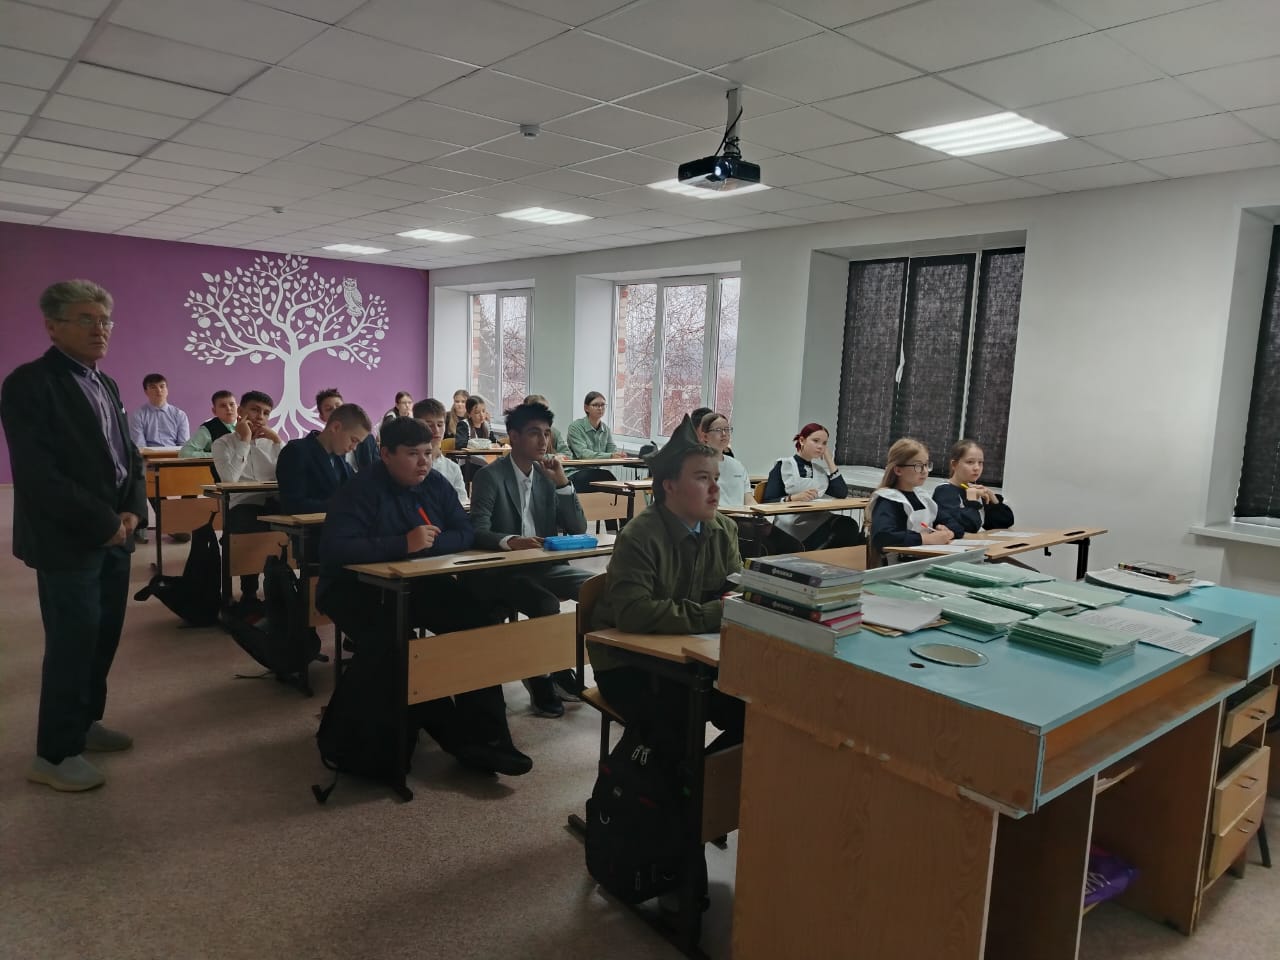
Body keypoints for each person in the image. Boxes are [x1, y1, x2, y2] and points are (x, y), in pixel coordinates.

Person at [318, 417, 531, 777]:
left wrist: (424, 546)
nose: (423, 462)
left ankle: (490, 735)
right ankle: (454, 737)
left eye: (428, 453)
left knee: (477, 623)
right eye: (412, 454)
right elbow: (336, 549)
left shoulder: (434, 484)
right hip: (355, 590)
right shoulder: (359, 489)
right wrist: (403, 544)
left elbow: (464, 532)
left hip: (417, 584)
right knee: (393, 644)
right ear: (385, 454)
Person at [1, 279, 144, 792]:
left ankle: (84, 723)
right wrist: (105, 523)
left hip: (116, 535)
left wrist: (133, 510)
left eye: (104, 320)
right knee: (72, 643)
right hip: (68, 541)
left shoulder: (106, 383)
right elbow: (39, 474)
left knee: (102, 638)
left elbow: (128, 456)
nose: (99, 329)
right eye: (85, 319)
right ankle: (55, 754)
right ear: (53, 326)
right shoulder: (29, 384)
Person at [589, 413, 744, 756]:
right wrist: (713, 613)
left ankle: (708, 781)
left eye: (716, 478)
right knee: (676, 718)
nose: (716, 489)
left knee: (756, 709)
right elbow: (634, 613)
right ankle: (679, 781)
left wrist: (730, 607)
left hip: (690, 655)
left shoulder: (725, 530)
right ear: (669, 485)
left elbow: (737, 593)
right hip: (626, 661)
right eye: (702, 478)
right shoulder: (639, 536)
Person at [469, 401, 590, 717]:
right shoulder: (489, 476)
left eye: (547, 433)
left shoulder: (547, 475)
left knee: (598, 587)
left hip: (544, 564)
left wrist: (562, 484)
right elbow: (477, 529)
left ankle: (565, 664)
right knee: (545, 603)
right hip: (503, 569)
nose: (543, 441)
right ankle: (541, 676)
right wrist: (510, 541)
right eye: (535, 433)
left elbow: (578, 527)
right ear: (513, 436)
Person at [212, 390, 282, 607]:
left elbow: (289, 476)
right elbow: (229, 480)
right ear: (241, 411)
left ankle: (281, 590)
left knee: (295, 528)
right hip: (243, 503)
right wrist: (244, 440)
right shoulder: (222, 443)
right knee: (249, 528)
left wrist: (278, 441)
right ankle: (249, 593)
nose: (260, 416)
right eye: (255, 410)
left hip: (274, 501)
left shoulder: (273, 443)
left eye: (266, 413)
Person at [762, 422, 863, 550]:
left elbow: (841, 492)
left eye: (824, 443)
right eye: (815, 441)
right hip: (790, 523)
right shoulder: (784, 466)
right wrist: (792, 498)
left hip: (817, 518)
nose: (820, 447)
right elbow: (767, 501)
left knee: (849, 525)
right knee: (840, 531)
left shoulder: (819, 471)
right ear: (802, 440)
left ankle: (831, 559)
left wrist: (829, 460)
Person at [869, 438, 964, 559]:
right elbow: (882, 536)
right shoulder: (888, 500)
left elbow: (956, 526)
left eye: (926, 465)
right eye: (918, 466)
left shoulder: (922, 498)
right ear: (898, 470)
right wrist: (926, 538)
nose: (925, 471)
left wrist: (948, 532)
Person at [129, 373, 192, 544]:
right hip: (150, 461)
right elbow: (140, 446)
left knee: (192, 481)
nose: (159, 390)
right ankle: (171, 524)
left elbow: (184, 445)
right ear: (146, 391)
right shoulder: (138, 415)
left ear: (167, 390)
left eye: (162, 386)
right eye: (153, 387)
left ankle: (183, 523)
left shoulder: (179, 414)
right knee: (147, 481)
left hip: (174, 460)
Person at [277, 403, 371, 514]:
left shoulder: (340, 459)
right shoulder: (296, 451)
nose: (354, 448)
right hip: (312, 524)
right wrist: (343, 506)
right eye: (353, 440)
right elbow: (292, 505)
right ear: (336, 427)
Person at [932, 439, 1015, 533]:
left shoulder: (974, 489)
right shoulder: (944, 491)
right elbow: (969, 526)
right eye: (970, 462)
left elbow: (1005, 523)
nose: (977, 468)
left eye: (980, 462)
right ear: (954, 464)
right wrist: (972, 501)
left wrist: (993, 499)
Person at [566, 390, 626, 494]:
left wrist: (618, 455)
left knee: (610, 479)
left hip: (594, 471)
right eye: (596, 405)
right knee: (603, 476)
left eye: (603, 405)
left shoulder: (605, 429)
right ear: (586, 408)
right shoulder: (575, 427)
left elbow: (612, 449)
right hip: (575, 471)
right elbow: (583, 454)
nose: (600, 408)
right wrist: (610, 456)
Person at [412, 398, 468, 504]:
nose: (436, 430)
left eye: (440, 425)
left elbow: (461, 502)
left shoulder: (453, 468)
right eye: (429, 425)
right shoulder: (408, 464)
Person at [316, 387, 377, 472]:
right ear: (322, 417)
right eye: (329, 409)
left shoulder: (368, 439)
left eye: (339, 407)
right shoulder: (322, 450)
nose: (335, 411)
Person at [697, 411, 750, 506]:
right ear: (705, 436)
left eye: (727, 429)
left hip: (741, 515)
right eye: (718, 430)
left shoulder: (737, 465)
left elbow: (749, 500)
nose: (724, 434)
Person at [179, 389, 238, 475]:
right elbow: (185, 453)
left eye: (232, 404)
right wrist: (218, 455)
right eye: (223, 406)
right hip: (223, 477)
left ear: (238, 407)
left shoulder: (249, 424)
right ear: (214, 411)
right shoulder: (208, 429)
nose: (229, 408)